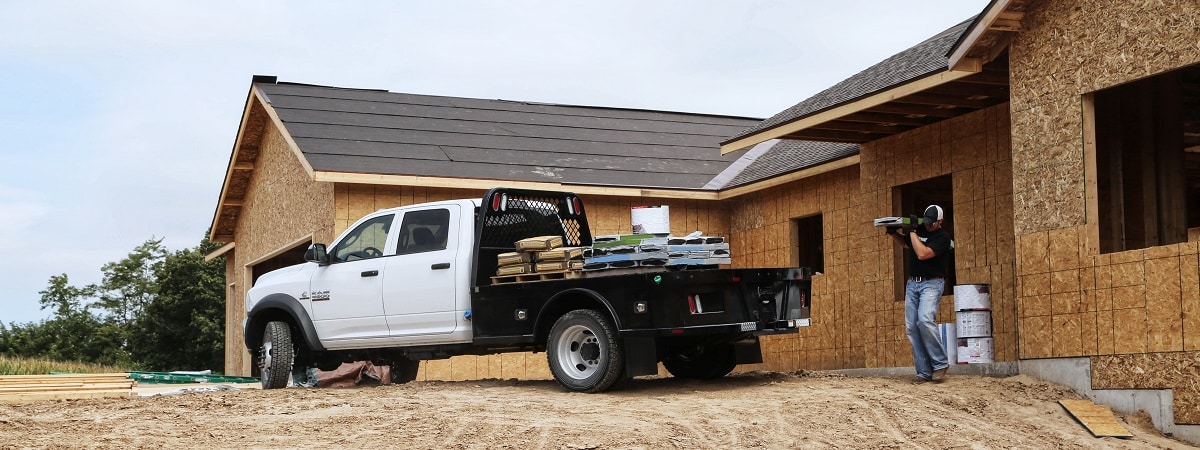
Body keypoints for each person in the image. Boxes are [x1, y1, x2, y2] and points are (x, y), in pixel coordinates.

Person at [888, 204, 953, 383]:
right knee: (912, 327)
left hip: (932, 283)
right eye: (927, 222)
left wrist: (912, 232)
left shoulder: (942, 237)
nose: (929, 226)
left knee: (924, 319)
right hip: (913, 284)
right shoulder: (920, 228)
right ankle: (924, 372)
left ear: (940, 221)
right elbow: (907, 244)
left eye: (933, 223)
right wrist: (893, 233)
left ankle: (940, 364)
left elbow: (923, 253)